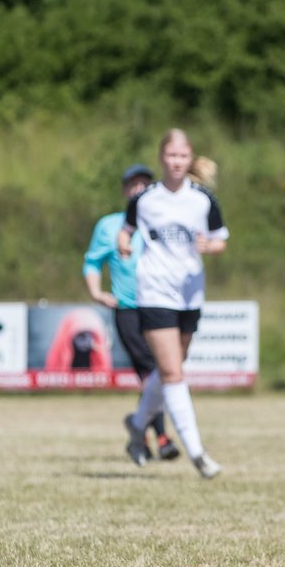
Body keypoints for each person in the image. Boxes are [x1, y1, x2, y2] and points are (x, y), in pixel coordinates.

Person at [117, 131, 228, 479]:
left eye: (183, 156)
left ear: (190, 158)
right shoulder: (146, 198)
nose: (177, 161)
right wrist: (123, 246)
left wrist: (208, 247)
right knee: (174, 374)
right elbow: (126, 230)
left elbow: (220, 240)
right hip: (154, 291)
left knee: (169, 371)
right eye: (171, 155)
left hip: (189, 294)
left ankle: (137, 426)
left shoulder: (202, 199)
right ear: (161, 157)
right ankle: (197, 453)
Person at [83, 163, 179, 462]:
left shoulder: (165, 220)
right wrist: (97, 293)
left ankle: (139, 434)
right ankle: (161, 438)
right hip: (128, 310)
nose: (139, 189)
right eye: (133, 184)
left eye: (145, 184)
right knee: (155, 372)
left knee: (158, 375)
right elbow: (92, 261)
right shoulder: (111, 226)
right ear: (125, 191)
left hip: (161, 306)